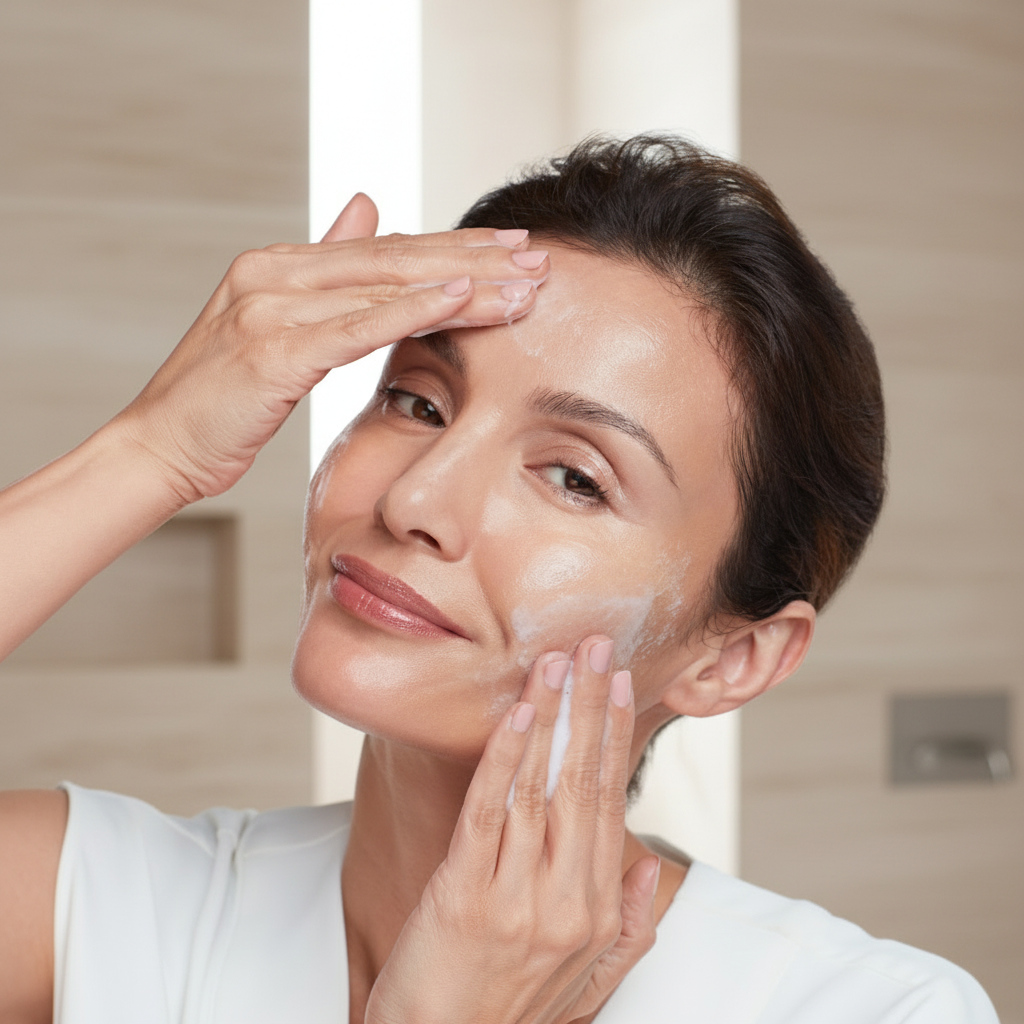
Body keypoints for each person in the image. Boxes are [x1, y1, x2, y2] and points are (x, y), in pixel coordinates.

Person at [0, 136, 999, 1023]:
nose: (415, 500)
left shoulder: (875, 1009)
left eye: (574, 477)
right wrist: (155, 449)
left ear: (732, 657)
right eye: (418, 402)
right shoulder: (104, 906)